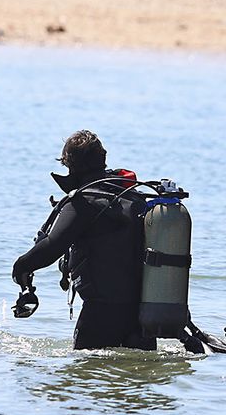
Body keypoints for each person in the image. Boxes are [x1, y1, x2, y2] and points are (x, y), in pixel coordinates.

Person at [11, 131, 155, 351]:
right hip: (144, 313)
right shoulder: (131, 196)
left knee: (84, 378)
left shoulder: (84, 202)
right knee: (133, 380)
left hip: (102, 313)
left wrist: (21, 265)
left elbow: (52, 246)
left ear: (69, 165)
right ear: (103, 159)